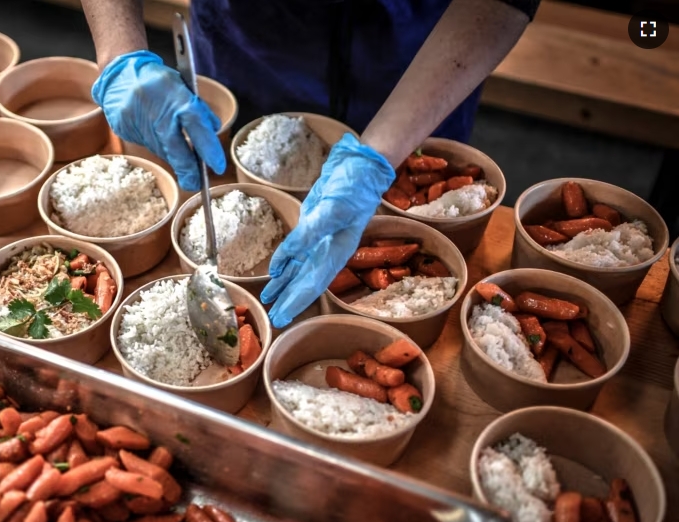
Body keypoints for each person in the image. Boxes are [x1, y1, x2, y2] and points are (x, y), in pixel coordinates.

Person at [80, 0, 540, 328]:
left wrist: (375, 158)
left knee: (411, 200)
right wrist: (118, 52)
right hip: (249, 43)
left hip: (419, 63)